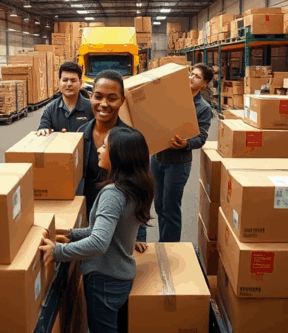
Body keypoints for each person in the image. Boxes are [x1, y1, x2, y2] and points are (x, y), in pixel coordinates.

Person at [39, 127, 155, 333]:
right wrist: (71, 235)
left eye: (105, 146)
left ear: (120, 155)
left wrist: (57, 252)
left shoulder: (113, 194)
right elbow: (112, 234)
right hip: (121, 276)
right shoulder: (136, 187)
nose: (99, 150)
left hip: (104, 281)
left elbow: (99, 242)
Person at [137, 63, 213, 244]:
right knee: (159, 205)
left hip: (178, 163)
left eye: (197, 76)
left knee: (171, 207)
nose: (191, 77)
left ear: (204, 84)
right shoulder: (173, 98)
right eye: (191, 73)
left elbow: (201, 138)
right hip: (157, 158)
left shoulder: (203, 108)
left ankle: (170, 247)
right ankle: (164, 242)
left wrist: (186, 143)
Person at [76, 70, 133, 217]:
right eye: (98, 97)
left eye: (112, 98)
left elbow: (140, 190)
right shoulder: (80, 135)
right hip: (86, 220)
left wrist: (138, 235)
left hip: (120, 221)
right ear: (91, 97)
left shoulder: (131, 140)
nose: (104, 104)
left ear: (122, 101)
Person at [37, 61, 94, 136]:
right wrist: (43, 130)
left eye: (73, 80)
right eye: (65, 80)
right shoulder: (50, 110)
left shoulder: (91, 108)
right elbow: (43, 127)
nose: (69, 84)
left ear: (80, 83)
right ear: (59, 83)